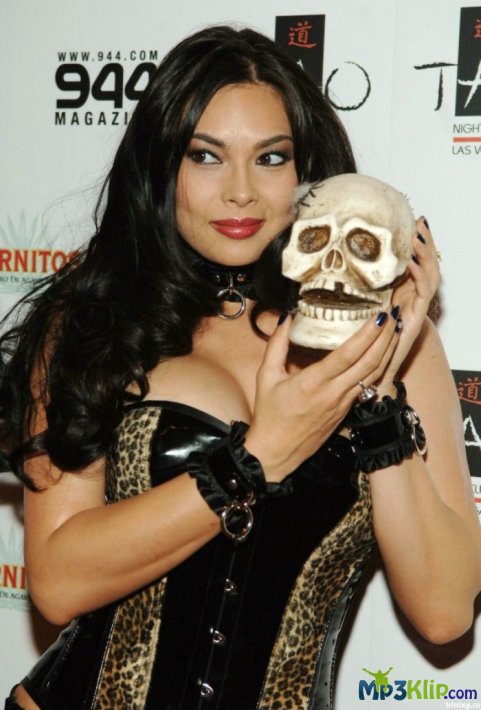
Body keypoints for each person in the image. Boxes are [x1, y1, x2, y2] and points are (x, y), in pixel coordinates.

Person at [1, 24, 480, 710]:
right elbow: (58, 583)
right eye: (206, 156)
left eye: (270, 158)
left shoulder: (396, 338)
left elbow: (444, 611)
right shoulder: (93, 320)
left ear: (306, 171)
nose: (240, 193)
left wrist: (374, 387)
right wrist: (256, 457)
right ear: (161, 166)